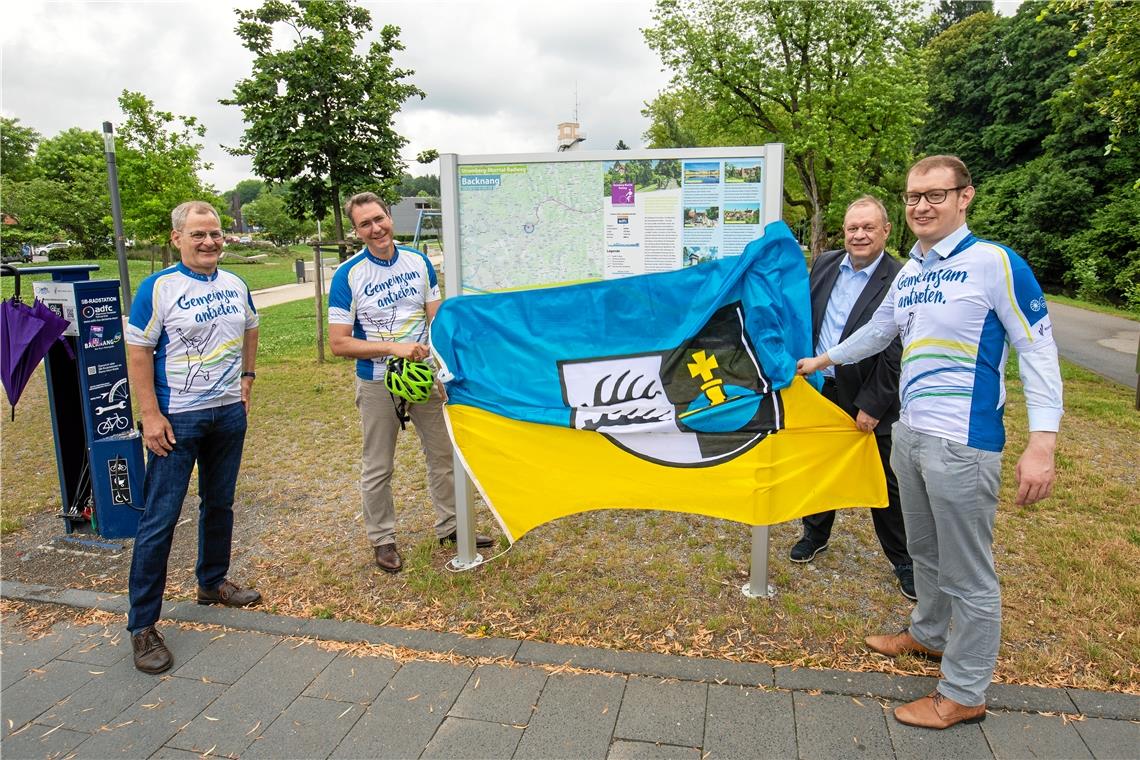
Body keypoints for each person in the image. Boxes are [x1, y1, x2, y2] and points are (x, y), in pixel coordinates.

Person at [797, 155, 1062, 730]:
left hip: (963, 444)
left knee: (969, 573)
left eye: (935, 195)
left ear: (964, 197)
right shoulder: (912, 272)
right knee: (924, 552)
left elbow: (1039, 352)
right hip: (910, 435)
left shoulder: (994, 263)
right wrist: (823, 358)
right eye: (914, 195)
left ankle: (964, 692)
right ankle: (929, 634)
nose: (921, 205)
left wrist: (1043, 442)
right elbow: (879, 331)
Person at [125, 201, 262, 674]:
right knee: (160, 518)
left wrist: (247, 378)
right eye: (198, 234)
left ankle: (212, 582)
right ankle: (142, 626)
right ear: (177, 237)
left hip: (226, 413)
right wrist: (150, 414)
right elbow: (138, 350)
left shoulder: (235, 283)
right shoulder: (158, 287)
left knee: (219, 503)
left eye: (216, 234)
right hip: (177, 420)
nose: (209, 242)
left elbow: (251, 327)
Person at [328, 192, 493, 574]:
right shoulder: (348, 275)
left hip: (423, 381)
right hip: (377, 382)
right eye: (365, 224)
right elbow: (339, 342)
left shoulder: (418, 262)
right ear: (356, 231)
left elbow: (435, 319)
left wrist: (445, 360)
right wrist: (393, 348)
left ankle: (452, 527)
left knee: (444, 456)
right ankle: (382, 540)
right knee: (378, 466)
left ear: (389, 217)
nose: (376, 228)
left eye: (379, 219)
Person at [790, 195, 914, 601]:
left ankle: (904, 559)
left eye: (867, 228)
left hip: (866, 394)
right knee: (819, 465)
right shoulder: (824, 264)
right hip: (817, 388)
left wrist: (874, 404)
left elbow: (896, 346)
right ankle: (815, 533)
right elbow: (803, 317)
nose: (859, 235)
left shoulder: (902, 277)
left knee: (883, 478)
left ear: (886, 231)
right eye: (852, 228)